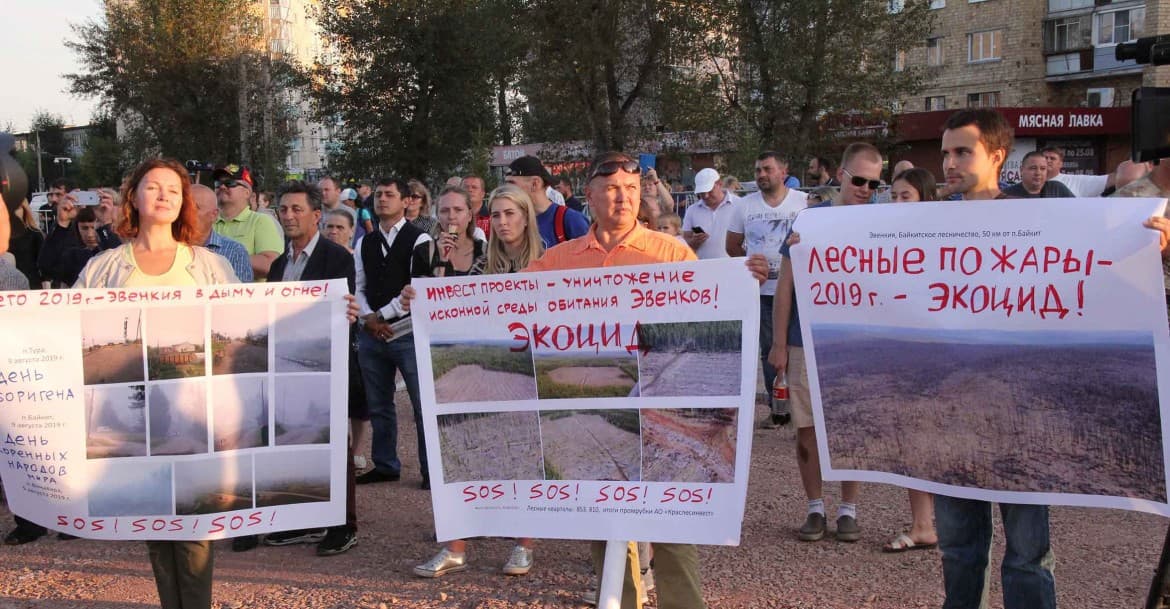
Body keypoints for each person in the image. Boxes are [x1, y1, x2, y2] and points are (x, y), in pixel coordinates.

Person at [526, 152, 705, 609]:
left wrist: (749, 276)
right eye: (611, 189)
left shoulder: (671, 253)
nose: (622, 197)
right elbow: (501, 305)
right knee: (606, 521)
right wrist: (427, 299)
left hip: (664, 408)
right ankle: (620, 601)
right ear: (589, 196)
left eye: (630, 189)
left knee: (671, 521)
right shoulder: (557, 260)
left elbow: (711, 308)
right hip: (598, 408)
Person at [75, 158, 240, 609]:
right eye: (153, 187)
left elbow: (244, 323)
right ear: (134, 197)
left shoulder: (208, 265)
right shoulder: (104, 269)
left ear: (184, 201)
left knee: (194, 524)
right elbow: (65, 327)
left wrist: (331, 311)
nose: (164, 195)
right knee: (152, 521)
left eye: (173, 189)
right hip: (133, 413)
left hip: (193, 412)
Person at [937, 109, 1055, 609]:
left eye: (963, 151)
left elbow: (1095, 270)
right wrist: (806, 253)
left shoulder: (1039, 221)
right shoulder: (924, 226)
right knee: (960, 549)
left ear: (997, 156)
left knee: (1027, 553)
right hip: (950, 412)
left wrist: (1151, 242)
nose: (949, 162)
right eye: (945, 152)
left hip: (1021, 414)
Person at [413, 184, 542, 579]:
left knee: (524, 456)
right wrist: (425, 287)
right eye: (497, 215)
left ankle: (524, 544)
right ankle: (455, 547)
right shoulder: (485, 263)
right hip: (487, 364)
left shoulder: (550, 259)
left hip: (527, 370)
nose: (503, 223)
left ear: (525, 217)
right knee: (466, 451)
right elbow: (450, 306)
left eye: (510, 214)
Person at [769, 143, 879, 544]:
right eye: (859, 180)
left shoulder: (883, 224)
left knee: (852, 428)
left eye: (874, 182)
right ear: (842, 176)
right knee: (807, 430)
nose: (866, 188)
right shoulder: (809, 221)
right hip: (804, 341)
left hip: (858, 345)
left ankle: (848, 509)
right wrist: (778, 344)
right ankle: (815, 507)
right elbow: (785, 287)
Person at [261, 180, 359, 556]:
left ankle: (344, 524)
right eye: (283, 209)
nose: (288, 216)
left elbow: (341, 310)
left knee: (334, 443)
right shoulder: (278, 265)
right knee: (294, 441)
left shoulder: (337, 259)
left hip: (327, 366)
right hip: (286, 367)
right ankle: (303, 520)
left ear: (316, 215)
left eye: (296, 209)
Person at [353, 177, 431, 488]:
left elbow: (416, 288)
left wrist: (381, 316)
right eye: (379, 194)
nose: (382, 200)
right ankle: (385, 463)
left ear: (406, 201)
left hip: (408, 333)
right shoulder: (364, 242)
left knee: (421, 404)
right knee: (379, 404)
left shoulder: (420, 239)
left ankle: (429, 470)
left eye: (389, 195)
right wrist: (367, 318)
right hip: (371, 334)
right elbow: (358, 286)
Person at [880, 166, 940, 553]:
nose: (899, 203)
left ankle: (943, 524)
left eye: (907, 196)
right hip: (904, 350)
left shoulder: (944, 233)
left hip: (947, 351)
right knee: (913, 436)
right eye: (895, 196)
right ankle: (923, 524)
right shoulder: (881, 236)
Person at [726, 151, 807, 428]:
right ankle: (778, 409)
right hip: (761, 292)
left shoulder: (804, 202)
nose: (761, 174)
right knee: (769, 351)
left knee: (799, 349)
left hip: (798, 291)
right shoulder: (744, 206)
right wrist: (750, 267)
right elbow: (732, 245)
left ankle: (803, 406)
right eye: (757, 170)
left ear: (783, 171)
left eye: (767, 169)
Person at [321, 208, 372, 471]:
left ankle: (357, 450)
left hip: (357, 333)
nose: (333, 231)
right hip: (325, 334)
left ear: (352, 231)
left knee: (358, 394)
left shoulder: (358, 258)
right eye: (329, 226)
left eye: (340, 227)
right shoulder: (317, 260)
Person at [212, 164, 283, 280]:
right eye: (218, 184)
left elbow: (271, 265)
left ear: (247, 192)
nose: (222, 187)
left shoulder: (261, 221)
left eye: (230, 183)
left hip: (248, 296)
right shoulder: (206, 222)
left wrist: (220, 258)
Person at [505, 156, 589, 249]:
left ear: (535, 184)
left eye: (512, 184)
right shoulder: (511, 221)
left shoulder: (571, 220)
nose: (506, 190)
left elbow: (590, 260)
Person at [416, 186, 487, 277]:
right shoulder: (423, 251)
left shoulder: (485, 251)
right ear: (437, 216)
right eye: (444, 211)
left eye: (458, 210)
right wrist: (442, 261)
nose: (451, 216)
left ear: (469, 215)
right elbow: (423, 288)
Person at [192, 184, 253, 283]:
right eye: (182, 207)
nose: (184, 213)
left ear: (214, 215)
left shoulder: (235, 252)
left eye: (194, 208)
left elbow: (241, 296)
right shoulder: (167, 249)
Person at [683, 168, 736, 259]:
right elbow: (685, 240)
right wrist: (693, 242)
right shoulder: (692, 210)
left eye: (710, 191)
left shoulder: (739, 205)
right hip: (703, 267)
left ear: (719, 184)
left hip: (734, 266)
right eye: (702, 193)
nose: (706, 196)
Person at [37, 178, 81, 287]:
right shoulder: (59, 224)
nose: (53, 199)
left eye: (58, 195)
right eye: (51, 195)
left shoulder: (85, 222)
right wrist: (62, 224)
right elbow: (44, 264)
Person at [1041, 146, 1115, 197]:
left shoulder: (1076, 181)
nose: (1048, 160)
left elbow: (1112, 179)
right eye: (1045, 158)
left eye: (1052, 158)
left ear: (1060, 164)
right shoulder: (1030, 182)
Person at [1003, 151, 1075, 198]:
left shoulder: (1058, 189)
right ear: (1021, 170)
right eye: (1033, 168)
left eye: (1043, 168)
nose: (1038, 173)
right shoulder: (1007, 195)